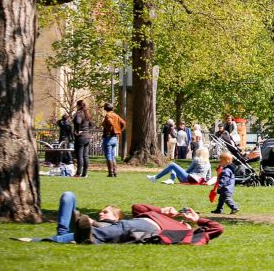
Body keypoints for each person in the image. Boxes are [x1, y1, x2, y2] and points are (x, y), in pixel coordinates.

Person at [29, 190, 222, 244]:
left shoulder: (180, 231)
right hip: (131, 223)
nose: (183, 219)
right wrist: (162, 211)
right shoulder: (157, 215)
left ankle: (41, 239)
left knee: (106, 230)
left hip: (138, 228)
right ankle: (77, 231)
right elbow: (137, 207)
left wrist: (195, 220)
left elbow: (217, 228)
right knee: (68, 196)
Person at [101, 102, 126, 178]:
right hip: (115, 138)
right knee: (112, 156)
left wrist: (109, 131)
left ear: (105, 109)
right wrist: (119, 130)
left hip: (108, 138)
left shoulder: (108, 115)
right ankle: (115, 171)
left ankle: (110, 172)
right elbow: (123, 123)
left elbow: (110, 123)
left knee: (108, 155)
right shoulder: (116, 115)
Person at [72, 99, 92, 177]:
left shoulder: (79, 113)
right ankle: (84, 173)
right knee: (85, 156)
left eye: (77, 105)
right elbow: (91, 124)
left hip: (81, 137)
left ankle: (78, 173)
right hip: (87, 136)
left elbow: (77, 122)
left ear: (79, 106)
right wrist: (86, 130)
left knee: (79, 155)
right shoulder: (87, 113)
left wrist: (78, 130)